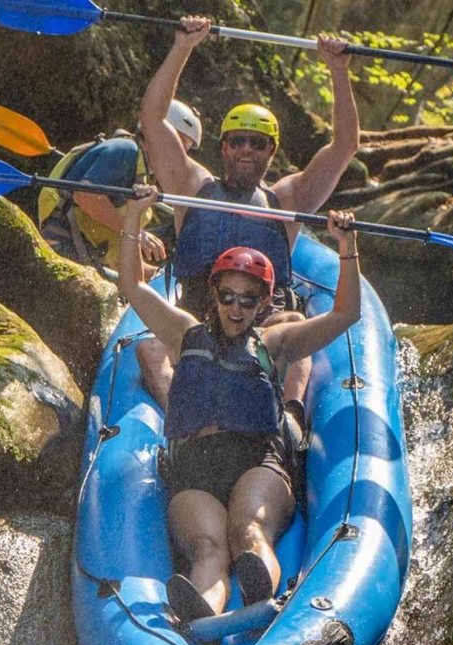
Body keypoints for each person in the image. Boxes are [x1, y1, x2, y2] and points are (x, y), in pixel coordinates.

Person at [117, 187, 363, 623]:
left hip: (256, 462)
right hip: (194, 468)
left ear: (264, 303)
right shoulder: (183, 333)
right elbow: (132, 286)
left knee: (248, 532)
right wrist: (135, 214)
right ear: (213, 293)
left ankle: (262, 592)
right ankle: (201, 616)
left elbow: (345, 314)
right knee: (208, 548)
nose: (236, 307)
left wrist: (348, 247)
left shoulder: (276, 342)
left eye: (248, 300)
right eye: (228, 295)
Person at [136, 16, 358, 412]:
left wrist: (338, 71)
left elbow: (344, 147)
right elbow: (153, 119)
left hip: (261, 326)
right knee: (151, 350)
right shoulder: (192, 186)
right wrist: (182, 47)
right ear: (222, 147)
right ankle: (181, 420)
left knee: (291, 326)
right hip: (199, 322)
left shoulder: (288, 199)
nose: (245, 150)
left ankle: (288, 420)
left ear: (271, 153)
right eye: (236, 141)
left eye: (257, 143)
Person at [36, 100, 203, 274]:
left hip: (82, 255)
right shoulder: (125, 150)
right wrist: (136, 233)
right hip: (61, 246)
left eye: (186, 148)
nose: (180, 155)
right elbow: (85, 194)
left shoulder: (139, 175)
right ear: (156, 133)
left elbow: (126, 269)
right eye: (179, 142)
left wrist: (166, 276)